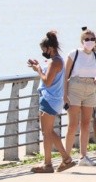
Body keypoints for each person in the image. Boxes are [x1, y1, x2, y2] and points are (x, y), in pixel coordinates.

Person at [27, 31, 76, 173]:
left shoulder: (55, 62)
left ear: (50, 48)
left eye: (44, 50)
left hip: (50, 99)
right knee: (47, 131)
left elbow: (47, 81)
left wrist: (38, 70)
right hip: (52, 99)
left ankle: (58, 161)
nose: (43, 53)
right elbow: (51, 77)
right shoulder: (57, 60)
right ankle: (54, 162)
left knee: (47, 132)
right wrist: (40, 67)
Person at [63, 26, 96, 165]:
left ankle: (83, 156)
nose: (90, 41)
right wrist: (65, 95)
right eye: (87, 39)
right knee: (72, 124)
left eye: (92, 39)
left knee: (86, 123)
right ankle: (66, 157)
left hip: (90, 89)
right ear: (82, 41)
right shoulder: (74, 53)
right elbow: (65, 76)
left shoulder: (95, 55)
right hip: (75, 88)